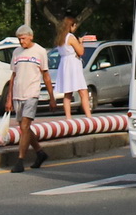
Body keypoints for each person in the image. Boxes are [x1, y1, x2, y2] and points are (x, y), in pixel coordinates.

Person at [6, 23, 57, 173]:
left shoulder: (40, 52)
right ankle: (40, 153)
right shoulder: (16, 53)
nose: (22, 42)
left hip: (31, 93)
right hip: (18, 93)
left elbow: (46, 76)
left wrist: (51, 97)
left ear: (30, 37)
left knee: (25, 127)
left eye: (23, 39)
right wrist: (9, 98)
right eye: (19, 40)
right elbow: (13, 76)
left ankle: (20, 160)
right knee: (24, 128)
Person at [51, 13, 91, 119]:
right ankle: (88, 116)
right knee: (83, 91)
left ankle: (68, 117)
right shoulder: (71, 37)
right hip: (73, 64)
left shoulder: (60, 38)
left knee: (68, 93)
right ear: (71, 26)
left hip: (64, 64)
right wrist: (81, 42)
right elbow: (80, 52)